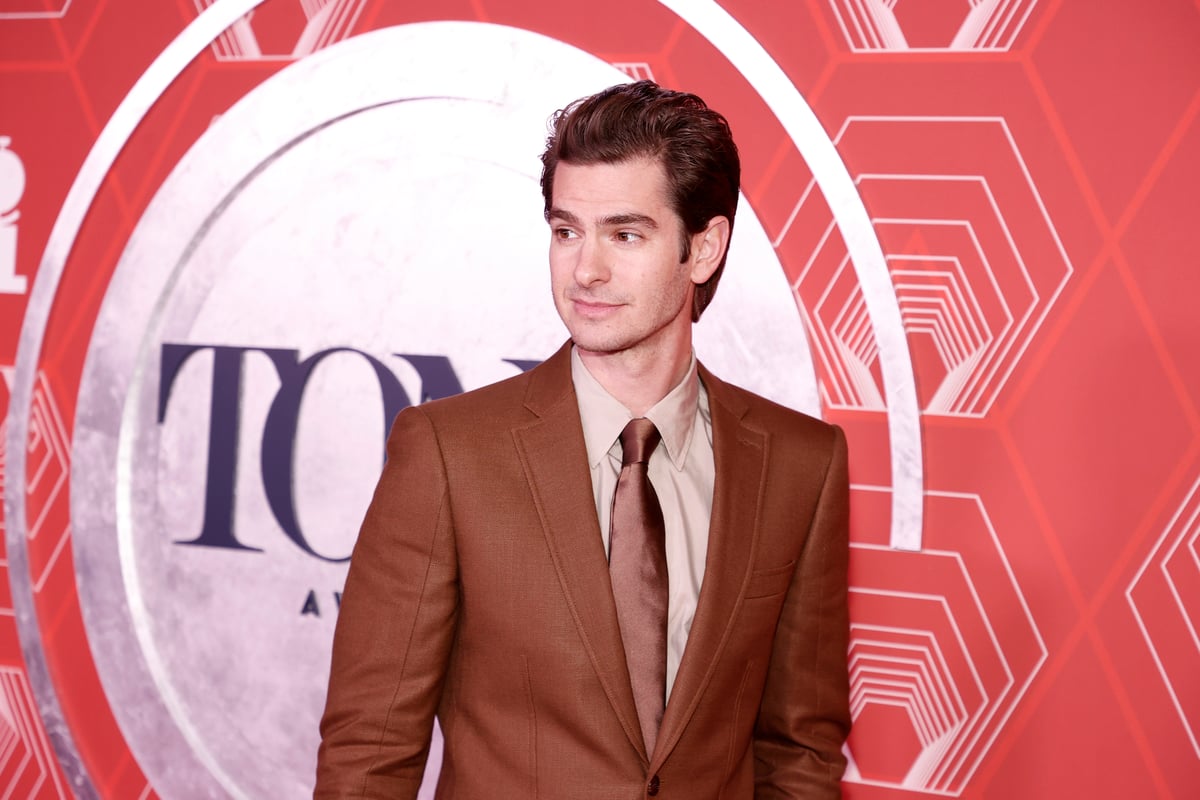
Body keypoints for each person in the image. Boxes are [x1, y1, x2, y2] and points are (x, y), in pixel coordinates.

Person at [315, 80, 851, 799]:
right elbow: (369, 755)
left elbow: (799, 748)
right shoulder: (448, 455)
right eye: (567, 231)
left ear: (704, 248)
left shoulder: (800, 465)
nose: (585, 271)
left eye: (625, 235)